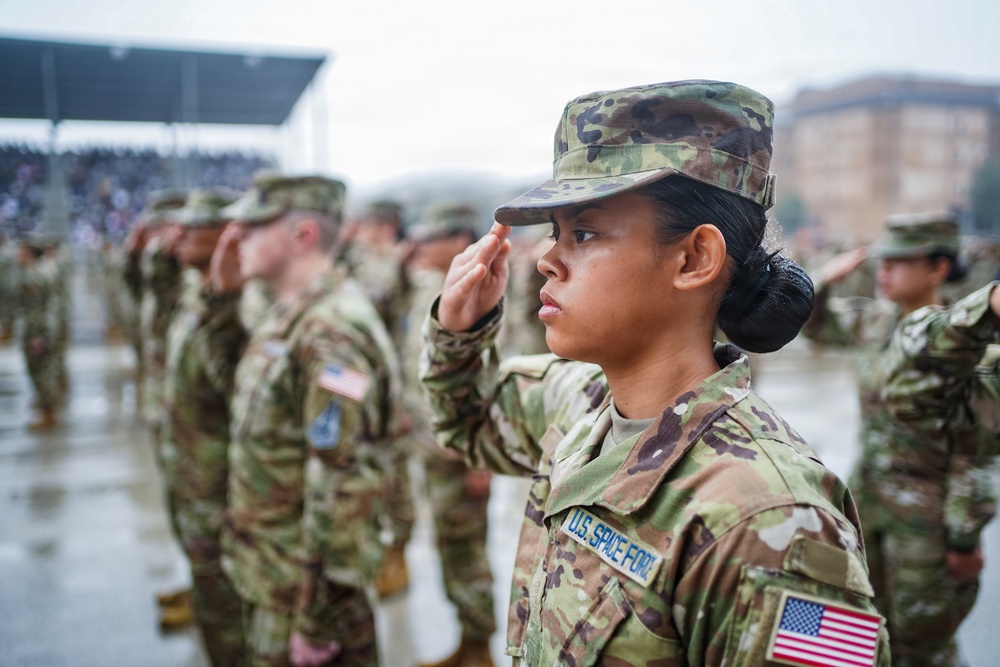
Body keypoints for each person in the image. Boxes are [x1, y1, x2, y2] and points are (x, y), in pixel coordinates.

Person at [420, 79, 890, 665]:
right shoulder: (583, 405)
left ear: (694, 258)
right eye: (554, 234)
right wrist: (460, 330)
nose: (548, 260)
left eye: (584, 233)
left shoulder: (772, 521)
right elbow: (467, 422)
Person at [217, 175, 400, 667]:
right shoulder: (293, 312)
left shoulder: (330, 329)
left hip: (305, 597)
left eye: (254, 226)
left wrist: (319, 619)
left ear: (303, 236)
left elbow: (344, 485)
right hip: (277, 576)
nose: (235, 235)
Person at [802, 212, 998, 666]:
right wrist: (824, 279)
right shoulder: (876, 323)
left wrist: (964, 534)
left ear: (938, 268)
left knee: (921, 641)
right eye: (883, 259)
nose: (884, 269)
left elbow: (975, 451)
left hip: (927, 514)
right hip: (869, 497)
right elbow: (814, 325)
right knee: (862, 627)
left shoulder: (960, 342)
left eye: (900, 260)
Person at [402, 204, 496, 667]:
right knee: (447, 543)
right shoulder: (432, 289)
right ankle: (467, 640)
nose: (421, 245)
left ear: (460, 241)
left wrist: (481, 461)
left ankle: (479, 647)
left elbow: (490, 382)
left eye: (432, 237)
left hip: (463, 455)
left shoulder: (481, 298)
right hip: (434, 446)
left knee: (466, 549)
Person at [160, 187, 247, 663]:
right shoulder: (199, 292)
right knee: (210, 596)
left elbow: (244, 399)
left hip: (220, 488)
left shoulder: (239, 306)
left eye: (191, 227)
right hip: (191, 472)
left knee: (230, 618)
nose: (176, 236)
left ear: (224, 235)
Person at [340, 198, 414, 598]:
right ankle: (372, 546)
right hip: (355, 381)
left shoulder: (395, 262)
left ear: (385, 225)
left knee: (395, 470)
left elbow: (382, 297)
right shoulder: (354, 259)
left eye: (370, 225)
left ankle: (397, 550)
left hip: (388, 384)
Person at [16, 232, 62, 431]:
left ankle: (48, 412)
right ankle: (47, 408)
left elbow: (36, 309)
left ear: (30, 254)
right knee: (43, 370)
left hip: (37, 329)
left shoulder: (32, 276)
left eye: (21, 252)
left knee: (40, 371)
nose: (18, 255)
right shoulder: (41, 271)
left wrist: (37, 336)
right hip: (43, 327)